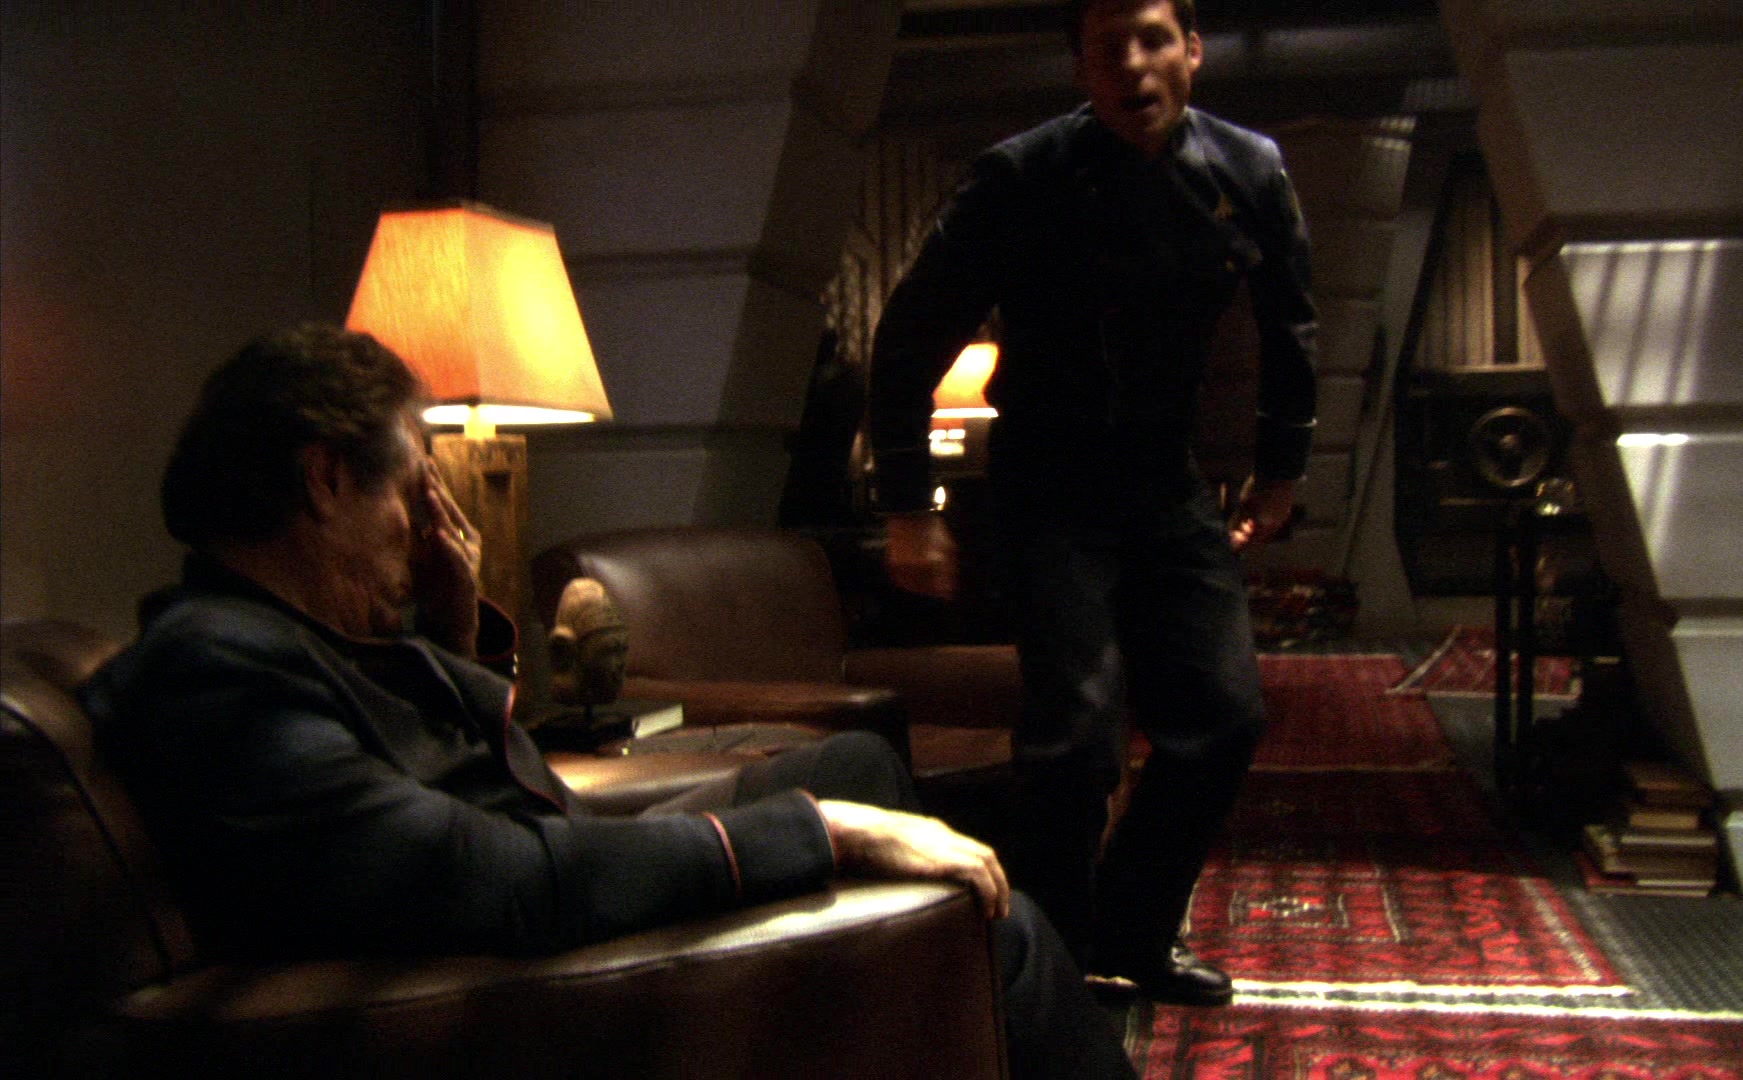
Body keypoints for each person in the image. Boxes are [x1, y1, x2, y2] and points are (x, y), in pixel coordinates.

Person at [79, 324, 1137, 1080]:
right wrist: (820, 835)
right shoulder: (216, 671)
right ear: (324, 478)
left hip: (533, 877)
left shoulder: (287, 634)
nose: (425, 518)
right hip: (517, 970)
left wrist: (451, 628)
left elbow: (461, 771)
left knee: (859, 767)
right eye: (410, 482)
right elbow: (496, 876)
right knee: (990, 926)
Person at [866, 0, 1316, 1006]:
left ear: (1193, 49)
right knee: (1074, 736)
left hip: (1167, 482)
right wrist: (908, 507)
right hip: (1048, 485)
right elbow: (908, 341)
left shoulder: (1249, 170)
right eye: (1109, 48)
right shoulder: (1017, 177)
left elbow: (1293, 327)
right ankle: (1054, 966)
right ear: (1081, 67)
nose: (1134, 66)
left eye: (1154, 39)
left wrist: (1282, 470)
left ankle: (1135, 933)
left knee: (1225, 717)